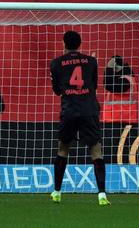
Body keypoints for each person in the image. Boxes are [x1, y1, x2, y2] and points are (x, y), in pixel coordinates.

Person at [48, 30, 109, 206]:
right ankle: (102, 195)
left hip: (70, 111)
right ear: (80, 44)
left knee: (63, 148)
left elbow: (57, 90)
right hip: (89, 110)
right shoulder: (91, 61)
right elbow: (94, 85)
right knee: (96, 150)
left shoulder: (56, 63)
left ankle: (57, 191)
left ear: (63, 43)